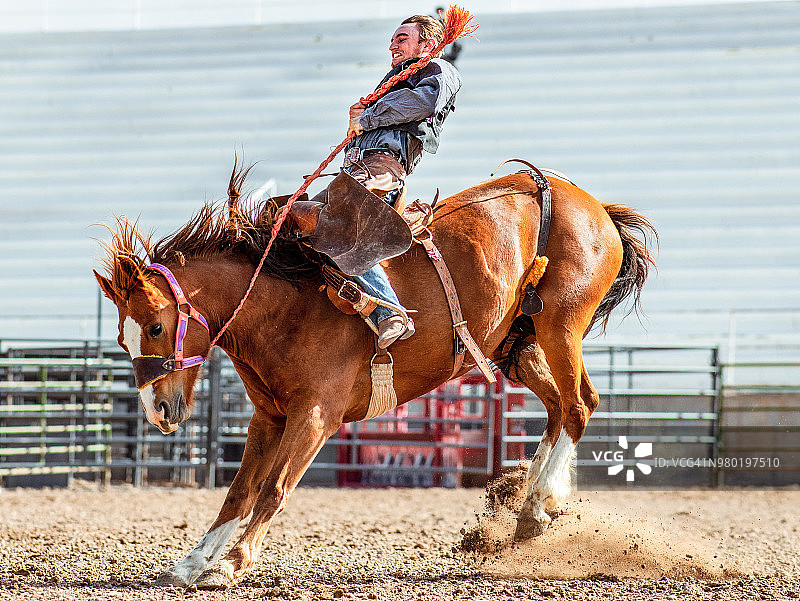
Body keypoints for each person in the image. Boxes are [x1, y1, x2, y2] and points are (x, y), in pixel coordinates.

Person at [343, 14, 462, 349]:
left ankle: (389, 312)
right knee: (299, 226)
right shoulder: (394, 80)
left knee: (344, 225)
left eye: (401, 39)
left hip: (382, 170)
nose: (392, 46)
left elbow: (422, 102)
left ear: (426, 44)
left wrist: (365, 117)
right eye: (393, 40)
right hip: (357, 171)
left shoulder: (439, 69)